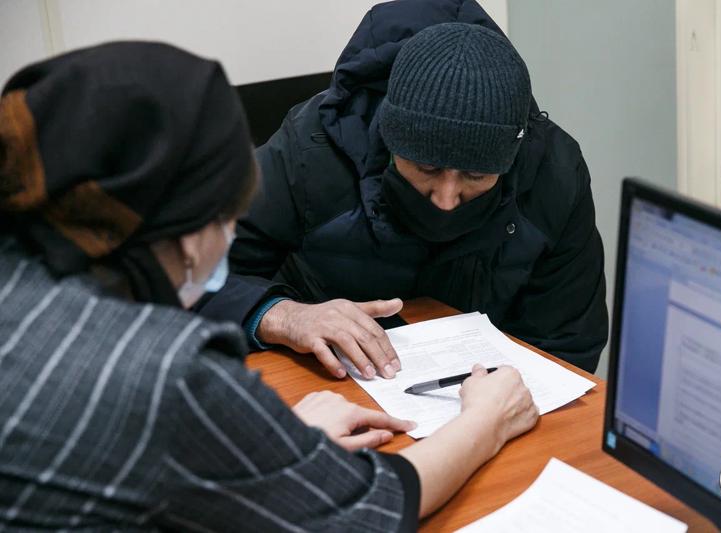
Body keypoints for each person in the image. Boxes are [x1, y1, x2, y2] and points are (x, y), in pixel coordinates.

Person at [0, 42, 538, 531]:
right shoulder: (172, 376)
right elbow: (368, 511)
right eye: (230, 213)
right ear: (190, 228)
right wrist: (486, 421)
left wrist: (263, 445)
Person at [199, 0, 609, 378]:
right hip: (326, 383)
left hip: (484, 394)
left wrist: (504, 401)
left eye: (476, 175)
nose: (446, 200)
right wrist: (284, 315)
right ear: (389, 139)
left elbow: (568, 342)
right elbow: (188, 276)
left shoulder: (554, 173)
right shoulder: (310, 151)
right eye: (426, 167)